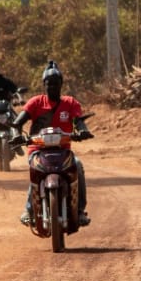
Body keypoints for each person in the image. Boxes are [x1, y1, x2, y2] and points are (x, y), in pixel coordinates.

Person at [13, 61, 93, 226]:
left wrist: (82, 130)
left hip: (63, 151)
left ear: (61, 84)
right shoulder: (36, 103)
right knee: (37, 169)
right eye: (49, 84)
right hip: (38, 150)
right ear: (44, 85)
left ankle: (79, 211)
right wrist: (17, 135)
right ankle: (28, 210)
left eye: (56, 84)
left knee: (77, 165)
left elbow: (79, 121)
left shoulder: (70, 103)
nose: (52, 87)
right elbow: (18, 122)